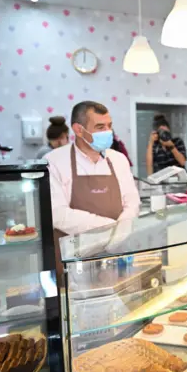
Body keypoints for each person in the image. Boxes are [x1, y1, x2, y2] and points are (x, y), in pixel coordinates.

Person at [46, 101, 140, 275]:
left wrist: (121, 230)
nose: (107, 132)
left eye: (109, 126)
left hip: (116, 256)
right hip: (74, 263)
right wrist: (110, 229)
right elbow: (57, 214)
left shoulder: (119, 159)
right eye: (100, 127)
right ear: (78, 129)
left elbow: (132, 200)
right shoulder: (54, 161)